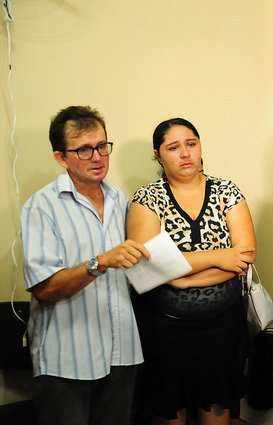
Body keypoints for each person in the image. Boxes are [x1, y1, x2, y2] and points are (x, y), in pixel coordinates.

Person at [21, 106, 151, 425]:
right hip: (67, 356)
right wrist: (99, 262)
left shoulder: (121, 199)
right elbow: (45, 288)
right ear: (61, 157)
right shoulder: (42, 206)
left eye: (102, 146)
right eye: (84, 149)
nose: (97, 156)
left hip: (123, 350)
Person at [126, 118, 257, 425]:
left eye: (191, 144)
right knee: (170, 409)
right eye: (173, 147)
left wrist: (180, 277)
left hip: (223, 327)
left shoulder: (227, 191)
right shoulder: (147, 198)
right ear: (158, 155)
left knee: (217, 406)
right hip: (165, 329)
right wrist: (220, 256)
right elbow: (150, 264)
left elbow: (244, 257)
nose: (184, 153)